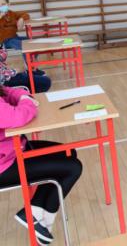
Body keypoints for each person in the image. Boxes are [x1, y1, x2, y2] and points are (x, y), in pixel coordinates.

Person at [0, 84, 83, 244]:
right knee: (73, 167)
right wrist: (28, 102)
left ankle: (35, 211)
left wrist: (23, 96)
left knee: (67, 152)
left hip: (12, 150)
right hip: (5, 165)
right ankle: (45, 218)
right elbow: (17, 117)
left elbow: (7, 91)